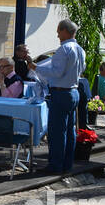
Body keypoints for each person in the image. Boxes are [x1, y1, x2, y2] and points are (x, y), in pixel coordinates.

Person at [33, 19, 86, 175]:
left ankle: (55, 164)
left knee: (57, 131)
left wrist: (37, 68)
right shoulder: (79, 49)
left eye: (58, 31)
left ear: (64, 31)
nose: (57, 35)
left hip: (61, 91)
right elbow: (81, 69)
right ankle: (66, 164)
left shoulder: (64, 49)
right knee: (69, 131)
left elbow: (57, 72)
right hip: (73, 91)